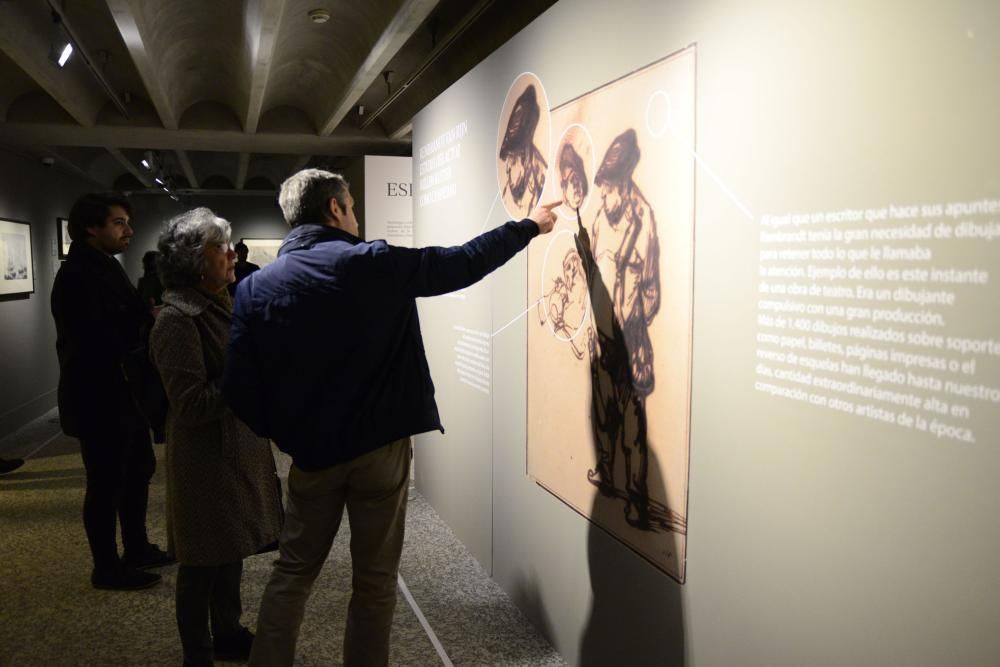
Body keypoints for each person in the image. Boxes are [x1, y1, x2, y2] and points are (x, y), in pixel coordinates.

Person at [222, 169, 558, 666]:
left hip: (311, 455)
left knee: (293, 573)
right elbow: (458, 264)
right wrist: (527, 226)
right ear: (335, 209)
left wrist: (285, 433)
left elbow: (239, 389)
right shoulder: (369, 262)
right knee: (375, 581)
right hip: (380, 450)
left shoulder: (254, 288)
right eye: (351, 205)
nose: (355, 215)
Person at [150, 208, 283, 667]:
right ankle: (198, 654)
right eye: (219, 248)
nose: (232, 255)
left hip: (233, 448)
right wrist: (247, 369)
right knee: (201, 562)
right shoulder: (176, 320)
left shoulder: (222, 303)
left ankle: (227, 632)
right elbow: (191, 403)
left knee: (230, 551)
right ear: (194, 260)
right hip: (205, 458)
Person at [51, 192, 172, 591]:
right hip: (100, 398)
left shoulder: (102, 267)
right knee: (105, 483)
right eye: (119, 222)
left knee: (137, 471)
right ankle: (106, 567)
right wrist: (143, 326)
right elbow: (96, 340)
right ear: (92, 228)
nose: (129, 230)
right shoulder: (78, 275)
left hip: (122, 395)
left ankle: (136, 549)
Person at [583, 128, 661, 529]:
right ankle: (608, 475)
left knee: (632, 423)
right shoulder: (598, 218)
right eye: (602, 186)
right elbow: (594, 273)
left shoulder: (643, 220)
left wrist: (631, 323)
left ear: (622, 181)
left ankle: (636, 500)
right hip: (601, 338)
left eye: (608, 187)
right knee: (603, 411)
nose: (604, 194)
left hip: (629, 339)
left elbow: (651, 290)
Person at [499, 84, 547, 217]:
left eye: (512, 160)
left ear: (524, 158)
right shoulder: (507, 193)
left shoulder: (540, 176)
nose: (507, 168)